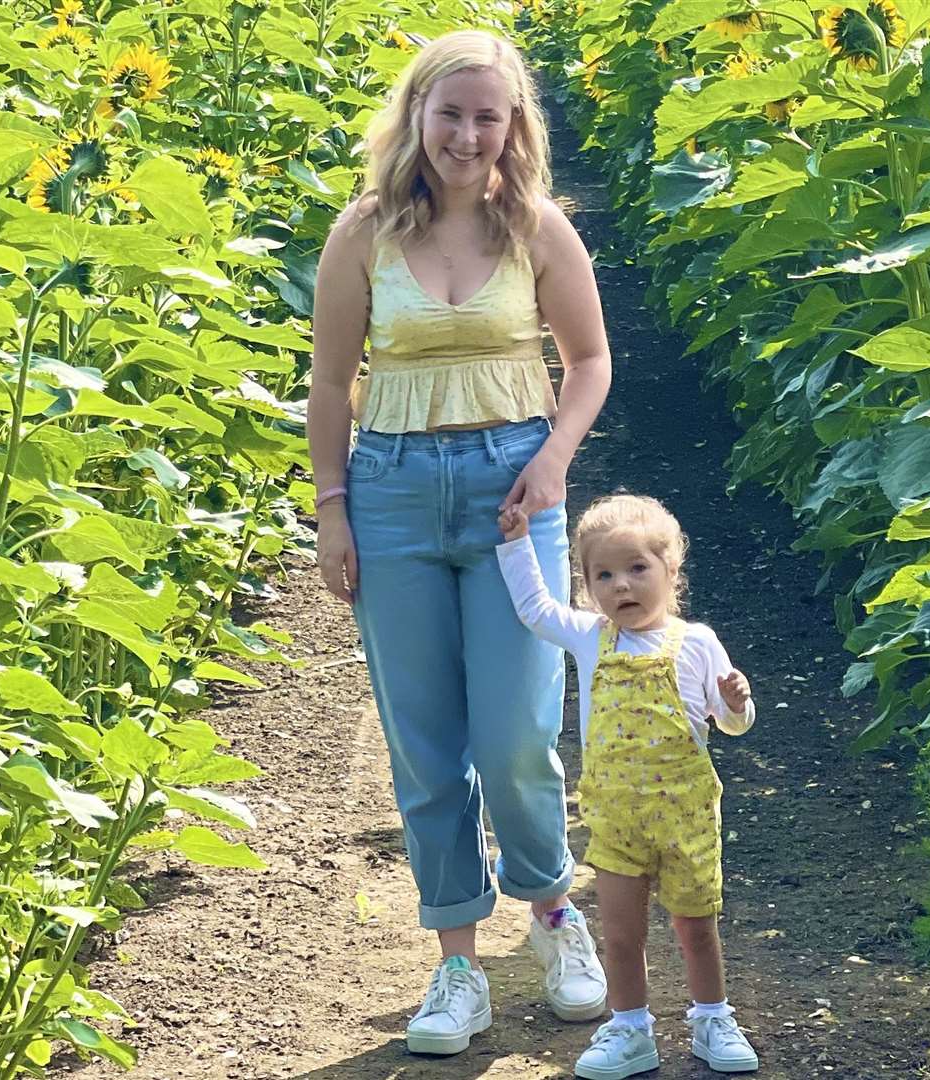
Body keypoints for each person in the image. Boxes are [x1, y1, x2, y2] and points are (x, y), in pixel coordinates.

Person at [307, 28, 613, 1056]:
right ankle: (455, 966)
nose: (468, 135)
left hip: (510, 497)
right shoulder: (363, 233)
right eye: (451, 114)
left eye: (489, 116)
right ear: (417, 117)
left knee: (517, 736)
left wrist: (555, 458)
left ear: (512, 125)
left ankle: (556, 919)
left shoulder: (535, 229)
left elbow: (590, 359)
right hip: (391, 493)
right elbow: (329, 383)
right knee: (426, 746)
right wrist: (332, 508)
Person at [497, 493, 761, 1077]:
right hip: (616, 818)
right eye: (604, 575)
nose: (622, 586)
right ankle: (630, 1028)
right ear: (589, 585)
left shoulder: (696, 642)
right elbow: (536, 610)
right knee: (620, 933)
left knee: (696, 927)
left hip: (687, 815)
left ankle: (712, 1017)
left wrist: (739, 704)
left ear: (671, 570)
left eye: (637, 568)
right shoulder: (592, 638)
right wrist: (515, 543)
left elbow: (731, 724)